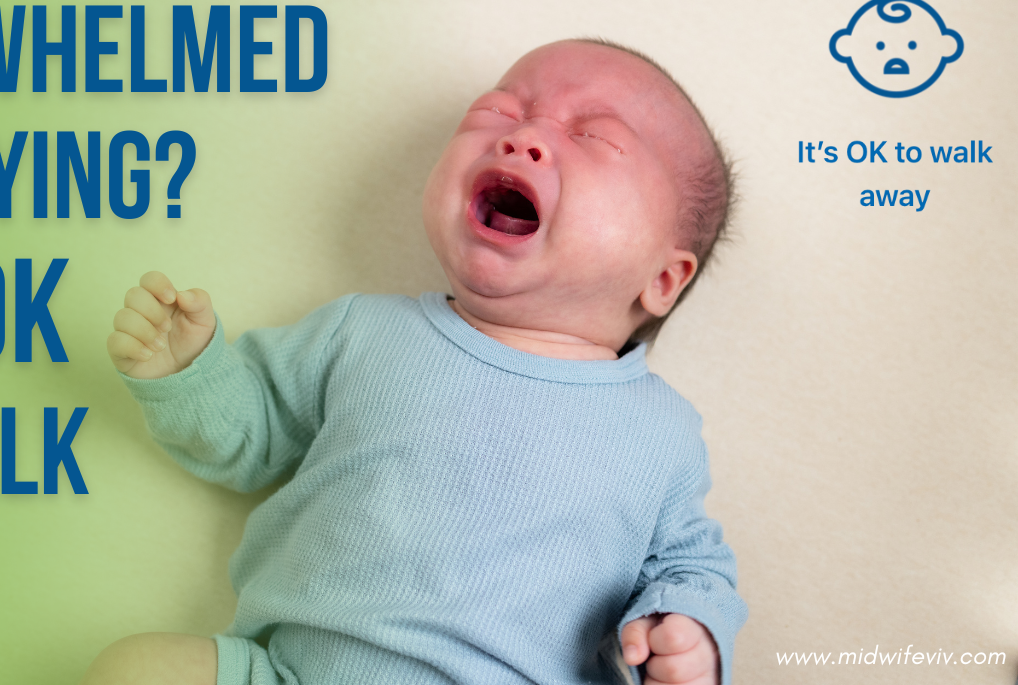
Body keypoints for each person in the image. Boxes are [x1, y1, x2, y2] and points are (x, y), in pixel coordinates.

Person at [90, 39, 746, 685]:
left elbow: (691, 566)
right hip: (294, 671)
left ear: (663, 278)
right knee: (135, 668)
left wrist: (687, 630)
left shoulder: (659, 434)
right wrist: (190, 372)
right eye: (497, 113)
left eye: (595, 137)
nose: (523, 138)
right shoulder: (362, 332)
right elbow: (252, 434)